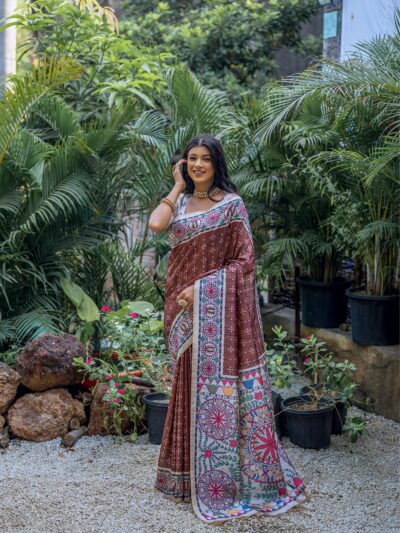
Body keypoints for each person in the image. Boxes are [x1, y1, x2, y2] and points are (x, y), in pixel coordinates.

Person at [148, 134, 307, 524]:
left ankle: (222, 479)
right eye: (192, 159)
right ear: (184, 163)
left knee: (214, 390)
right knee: (184, 382)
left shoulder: (232, 207)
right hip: (180, 310)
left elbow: (245, 262)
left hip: (212, 311)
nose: (198, 164)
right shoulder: (181, 200)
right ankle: (183, 477)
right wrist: (177, 185)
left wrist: (200, 289)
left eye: (205, 159)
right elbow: (155, 225)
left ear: (217, 164)